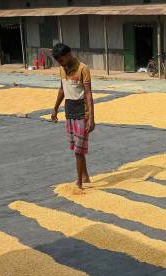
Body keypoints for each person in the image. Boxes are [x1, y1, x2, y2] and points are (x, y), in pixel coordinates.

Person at [50, 43, 96, 189]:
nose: (61, 63)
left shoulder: (83, 69)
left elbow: (88, 94)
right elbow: (62, 89)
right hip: (69, 112)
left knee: (78, 151)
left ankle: (79, 181)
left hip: (82, 113)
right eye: (58, 62)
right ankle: (86, 177)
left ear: (68, 55)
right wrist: (55, 108)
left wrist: (92, 118)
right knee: (77, 149)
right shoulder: (62, 69)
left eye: (61, 60)